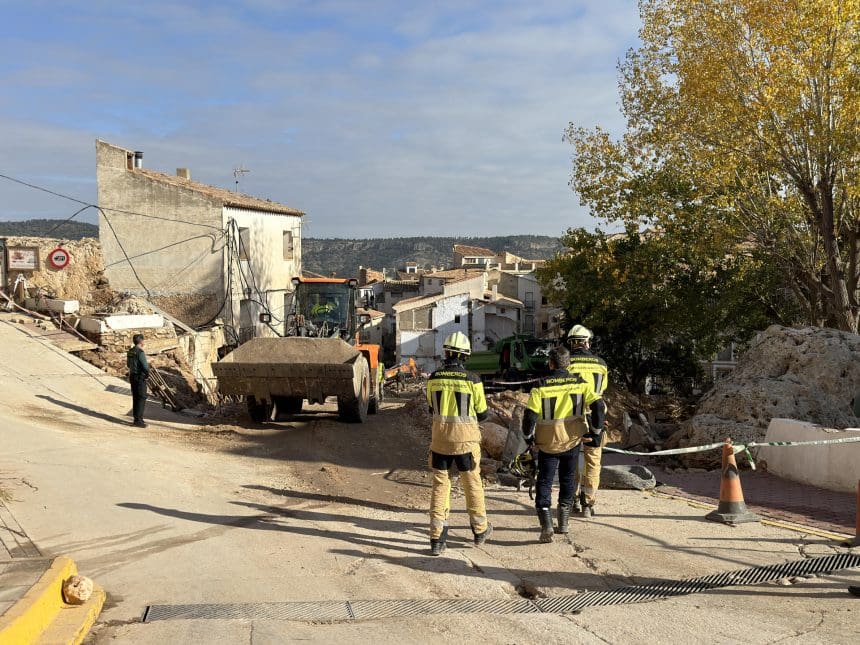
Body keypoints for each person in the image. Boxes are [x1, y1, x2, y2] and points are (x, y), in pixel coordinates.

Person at [522, 346, 605, 542]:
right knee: (568, 479)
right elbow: (599, 406)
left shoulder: (541, 387)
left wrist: (528, 438)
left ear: (550, 364)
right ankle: (564, 523)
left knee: (545, 481)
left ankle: (546, 526)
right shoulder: (581, 385)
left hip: (547, 444)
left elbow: (529, 417)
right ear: (568, 364)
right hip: (572, 442)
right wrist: (596, 432)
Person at [426, 331, 492, 556]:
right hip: (466, 442)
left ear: (446, 353)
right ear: (464, 356)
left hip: (440, 441)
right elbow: (482, 414)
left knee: (440, 485)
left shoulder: (433, 378)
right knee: (472, 483)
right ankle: (480, 530)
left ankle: (437, 538)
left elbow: (431, 409)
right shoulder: (473, 380)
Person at [567, 324, 609, 518]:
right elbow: (601, 392)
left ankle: (573, 499)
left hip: (572, 417)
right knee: (593, 461)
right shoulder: (601, 364)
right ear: (587, 342)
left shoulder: (567, 364)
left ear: (571, 343)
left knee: (572, 459)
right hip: (595, 417)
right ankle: (588, 504)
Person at [127, 333, 150, 428]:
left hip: (132, 376)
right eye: (143, 340)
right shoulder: (140, 352)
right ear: (141, 342)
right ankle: (138, 421)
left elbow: (128, 365)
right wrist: (147, 374)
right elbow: (145, 366)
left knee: (135, 397)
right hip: (140, 377)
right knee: (141, 398)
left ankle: (137, 418)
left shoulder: (130, 351)